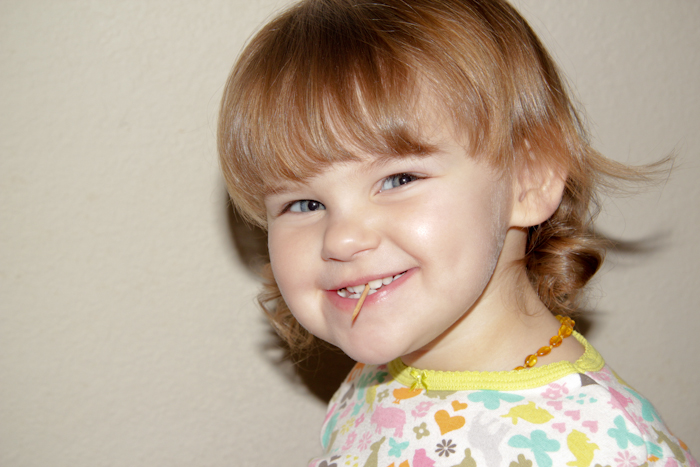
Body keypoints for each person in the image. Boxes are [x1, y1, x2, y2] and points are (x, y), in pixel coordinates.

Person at [217, 0, 697, 465]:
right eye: (304, 204)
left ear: (529, 180)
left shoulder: (599, 450)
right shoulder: (381, 373)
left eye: (399, 179)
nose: (340, 240)